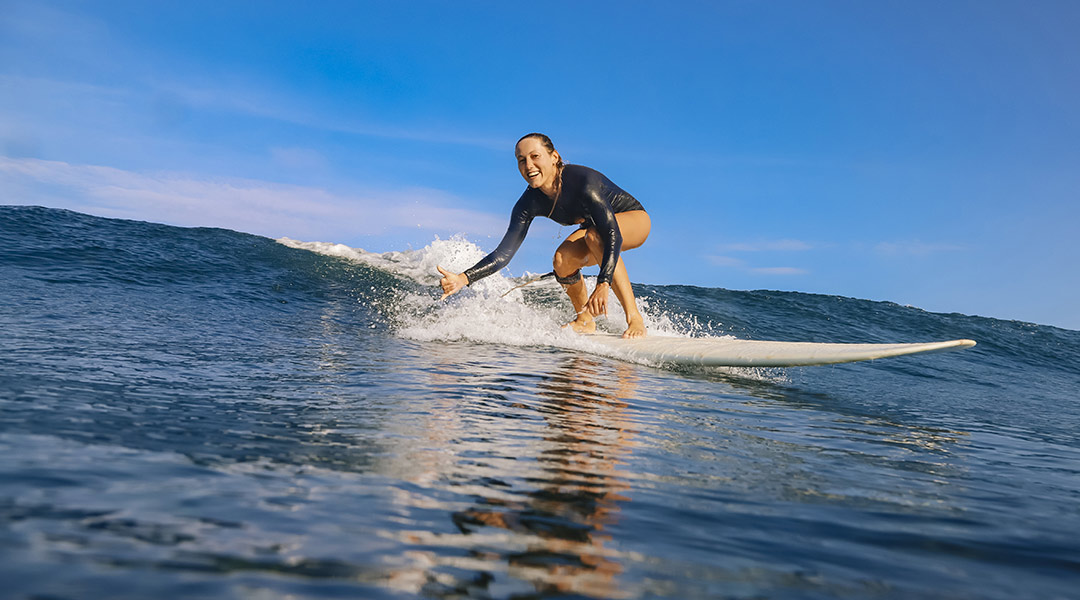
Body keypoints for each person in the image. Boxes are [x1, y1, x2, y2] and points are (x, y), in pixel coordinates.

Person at [437, 133, 652, 338]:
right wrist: (464, 278)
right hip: (595, 230)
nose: (528, 165)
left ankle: (634, 319)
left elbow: (611, 232)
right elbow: (504, 253)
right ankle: (584, 320)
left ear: (554, 157)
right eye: (521, 160)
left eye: (535, 156)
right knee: (562, 260)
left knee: (595, 237)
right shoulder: (528, 203)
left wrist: (603, 283)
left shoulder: (583, 182)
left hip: (633, 219)